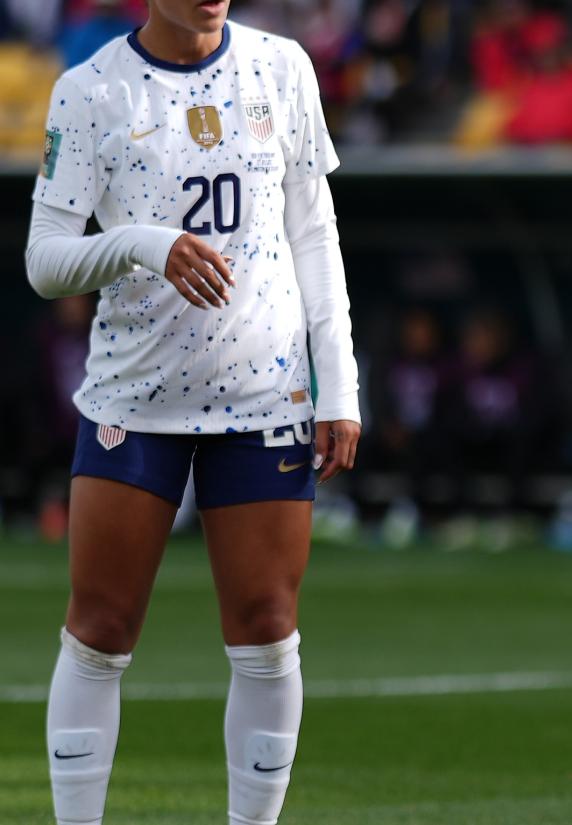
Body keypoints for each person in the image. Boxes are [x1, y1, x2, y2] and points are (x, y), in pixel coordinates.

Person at [23, 0, 361, 822]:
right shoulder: (91, 89)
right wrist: (146, 243)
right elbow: (45, 261)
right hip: (134, 401)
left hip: (265, 395)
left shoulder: (282, 68)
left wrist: (339, 383)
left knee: (268, 627)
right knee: (100, 628)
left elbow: (315, 235)